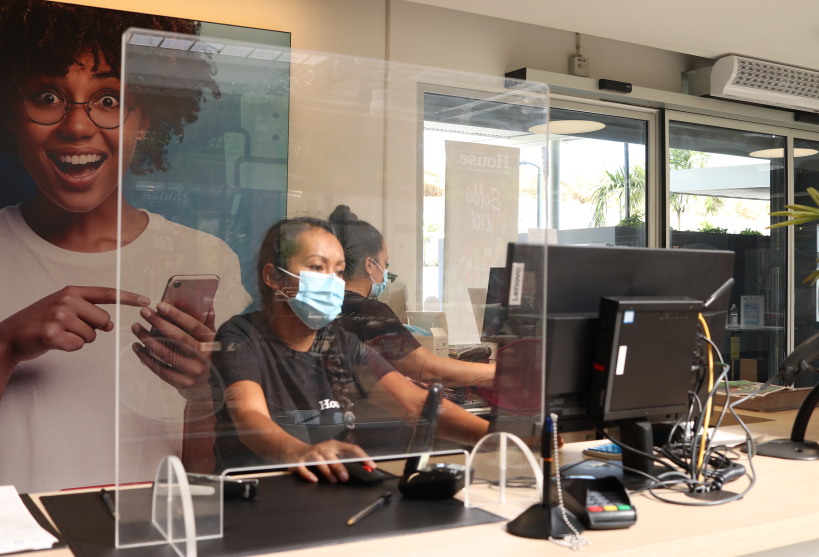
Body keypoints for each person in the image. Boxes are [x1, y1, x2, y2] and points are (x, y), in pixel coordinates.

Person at [0, 1, 251, 493]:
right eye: (46, 96)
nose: (77, 127)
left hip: (147, 530)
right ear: (11, 113)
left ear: (145, 120)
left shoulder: (207, 260)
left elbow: (203, 480)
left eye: (109, 99)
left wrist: (200, 393)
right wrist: (6, 345)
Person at [211, 218, 489, 483]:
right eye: (318, 267)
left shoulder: (342, 344)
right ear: (274, 277)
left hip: (330, 491)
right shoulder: (241, 336)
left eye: (339, 271)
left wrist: (498, 437)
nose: (332, 281)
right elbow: (250, 417)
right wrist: (301, 453)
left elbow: (416, 405)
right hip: (263, 492)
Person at [328, 205, 495, 388]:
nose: (385, 271)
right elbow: (426, 369)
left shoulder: (329, 306)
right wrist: (497, 371)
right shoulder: (367, 312)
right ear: (370, 265)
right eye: (385, 263)